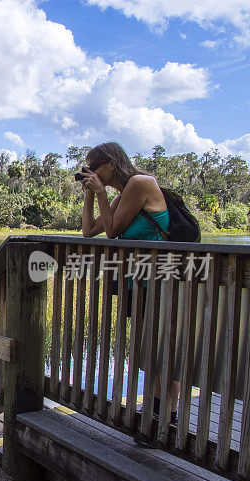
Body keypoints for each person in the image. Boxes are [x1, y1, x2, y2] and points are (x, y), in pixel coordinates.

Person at [78, 141, 179, 427]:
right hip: (140, 281)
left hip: (160, 280)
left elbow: (112, 232)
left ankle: (164, 416)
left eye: (94, 168)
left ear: (110, 163)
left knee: (160, 348)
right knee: (151, 348)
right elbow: (89, 232)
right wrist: (89, 195)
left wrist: (99, 193)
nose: (92, 174)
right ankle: (161, 416)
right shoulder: (123, 195)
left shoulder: (139, 183)